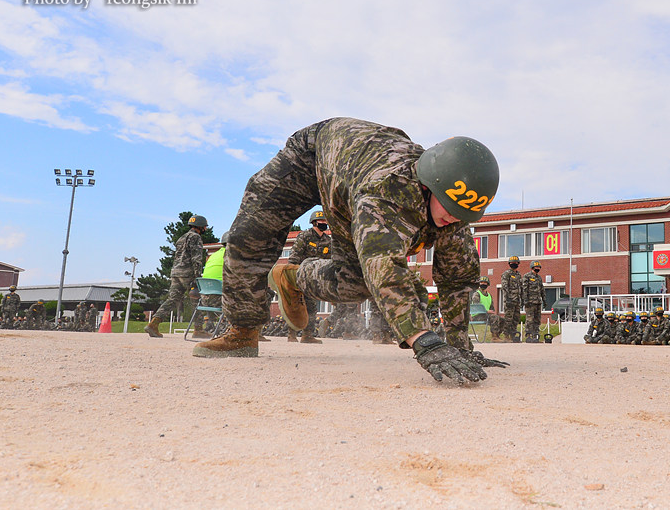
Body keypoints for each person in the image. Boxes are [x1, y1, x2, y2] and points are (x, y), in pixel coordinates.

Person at [193, 118, 506, 385]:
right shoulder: (387, 192)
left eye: (463, 213)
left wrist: (458, 346)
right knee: (249, 233)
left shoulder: (455, 207)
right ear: (428, 185)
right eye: (449, 207)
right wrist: (424, 340)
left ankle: (292, 277)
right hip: (312, 157)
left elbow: (457, 278)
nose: (453, 217)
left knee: (355, 282)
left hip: (346, 190)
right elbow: (384, 266)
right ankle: (243, 330)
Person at [146, 214, 208, 338]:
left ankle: (154, 323)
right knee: (197, 299)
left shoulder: (181, 238)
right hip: (188, 274)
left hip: (176, 273)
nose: (205, 229)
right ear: (200, 226)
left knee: (172, 299)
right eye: (205, 227)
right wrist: (198, 276)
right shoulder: (196, 237)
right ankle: (198, 329)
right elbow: (196, 258)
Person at [285, 210, 332, 344]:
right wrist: (291, 276)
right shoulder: (304, 236)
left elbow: (329, 261)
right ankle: (291, 334)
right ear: (314, 222)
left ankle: (307, 335)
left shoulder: (328, 241)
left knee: (311, 307)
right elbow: (294, 257)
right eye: (321, 221)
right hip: (299, 276)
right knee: (295, 305)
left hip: (314, 279)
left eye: (325, 221)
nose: (324, 223)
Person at [499, 256, 524, 342]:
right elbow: (505, 286)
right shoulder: (506, 274)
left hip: (517, 300)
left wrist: (522, 299)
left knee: (516, 318)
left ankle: (513, 335)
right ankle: (506, 336)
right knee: (508, 319)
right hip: (509, 300)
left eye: (516, 263)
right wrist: (508, 298)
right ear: (509, 264)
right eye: (512, 263)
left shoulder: (518, 275)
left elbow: (521, 287)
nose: (514, 264)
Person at [521, 260, 546, 343]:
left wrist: (544, 300)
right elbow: (524, 289)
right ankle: (528, 336)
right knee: (530, 320)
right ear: (532, 268)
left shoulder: (539, 278)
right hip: (530, 302)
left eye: (539, 267)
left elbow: (542, 290)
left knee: (537, 320)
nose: (537, 269)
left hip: (538, 302)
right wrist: (525, 300)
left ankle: (536, 336)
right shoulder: (527, 276)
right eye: (536, 267)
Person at [472, 276, 501, 342]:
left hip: (486, 315)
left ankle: (497, 335)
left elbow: (492, 308)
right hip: (477, 316)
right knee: (494, 318)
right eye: (481, 282)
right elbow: (476, 306)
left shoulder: (489, 295)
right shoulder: (476, 294)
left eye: (485, 283)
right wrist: (487, 311)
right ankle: (494, 338)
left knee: (501, 320)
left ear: (488, 284)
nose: (483, 284)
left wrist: (491, 311)